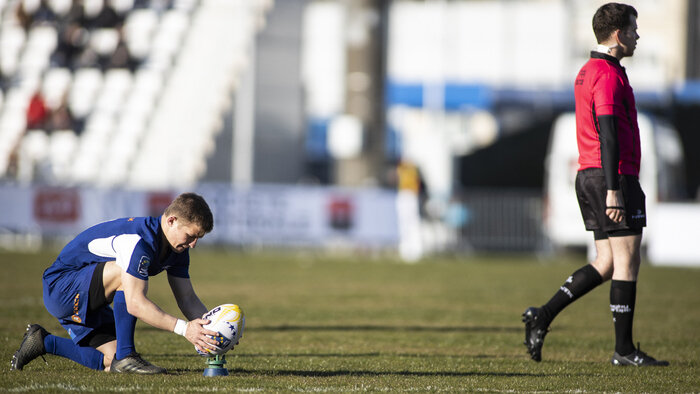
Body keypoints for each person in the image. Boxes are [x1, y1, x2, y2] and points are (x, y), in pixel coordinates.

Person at [522, 3, 668, 366]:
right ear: (618, 34)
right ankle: (624, 350)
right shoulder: (606, 74)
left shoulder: (587, 71)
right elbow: (607, 133)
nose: (637, 36)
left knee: (605, 262)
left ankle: (542, 315)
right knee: (627, 261)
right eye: (633, 30)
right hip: (610, 175)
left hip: (589, 175)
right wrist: (615, 188)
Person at [10, 192, 221, 374]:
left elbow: (187, 298)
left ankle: (43, 341)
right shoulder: (138, 241)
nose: (193, 244)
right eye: (191, 236)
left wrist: (214, 331)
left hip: (90, 296)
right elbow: (135, 303)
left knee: (110, 361)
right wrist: (185, 330)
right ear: (171, 220)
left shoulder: (178, 249)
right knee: (124, 272)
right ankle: (127, 356)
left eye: (198, 239)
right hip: (61, 288)